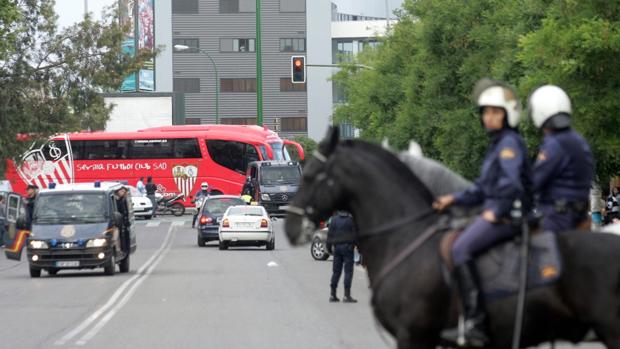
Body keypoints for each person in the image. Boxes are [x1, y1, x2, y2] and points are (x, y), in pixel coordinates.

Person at [433, 79, 531, 347]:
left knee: (460, 249)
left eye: (495, 112)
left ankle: (476, 323)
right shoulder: (497, 144)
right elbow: (481, 188)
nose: (489, 117)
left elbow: (511, 184)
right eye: (485, 112)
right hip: (497, 210)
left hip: (509, 216)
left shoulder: (509, 143)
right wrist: (452, 198)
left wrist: (495, 212)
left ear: (508, 114)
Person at [528, 85, 594, 232]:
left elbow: (534, 182)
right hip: (580, 215)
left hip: (557, 217)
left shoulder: (555, 143)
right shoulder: (578, 139)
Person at [327, 211, 358, 303]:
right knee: (348, 271)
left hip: (337, 248)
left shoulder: (334, 219)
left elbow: (330, 235)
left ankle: (332, 295)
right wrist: (355, 245)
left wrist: (329, 248)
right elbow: (355, 235)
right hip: (348, 248)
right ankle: (346, 295)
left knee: (336, 271)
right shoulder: (351, 220)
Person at [114, 187, 130, 253]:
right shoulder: (118, 199)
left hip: (123, 221)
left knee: (124, 236)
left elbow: (125, 212)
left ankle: (125, 250)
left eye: (124, 192)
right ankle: (123, 249)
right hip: (119, 220)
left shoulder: (123, 200)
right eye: (122, 191)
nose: (123, 193)